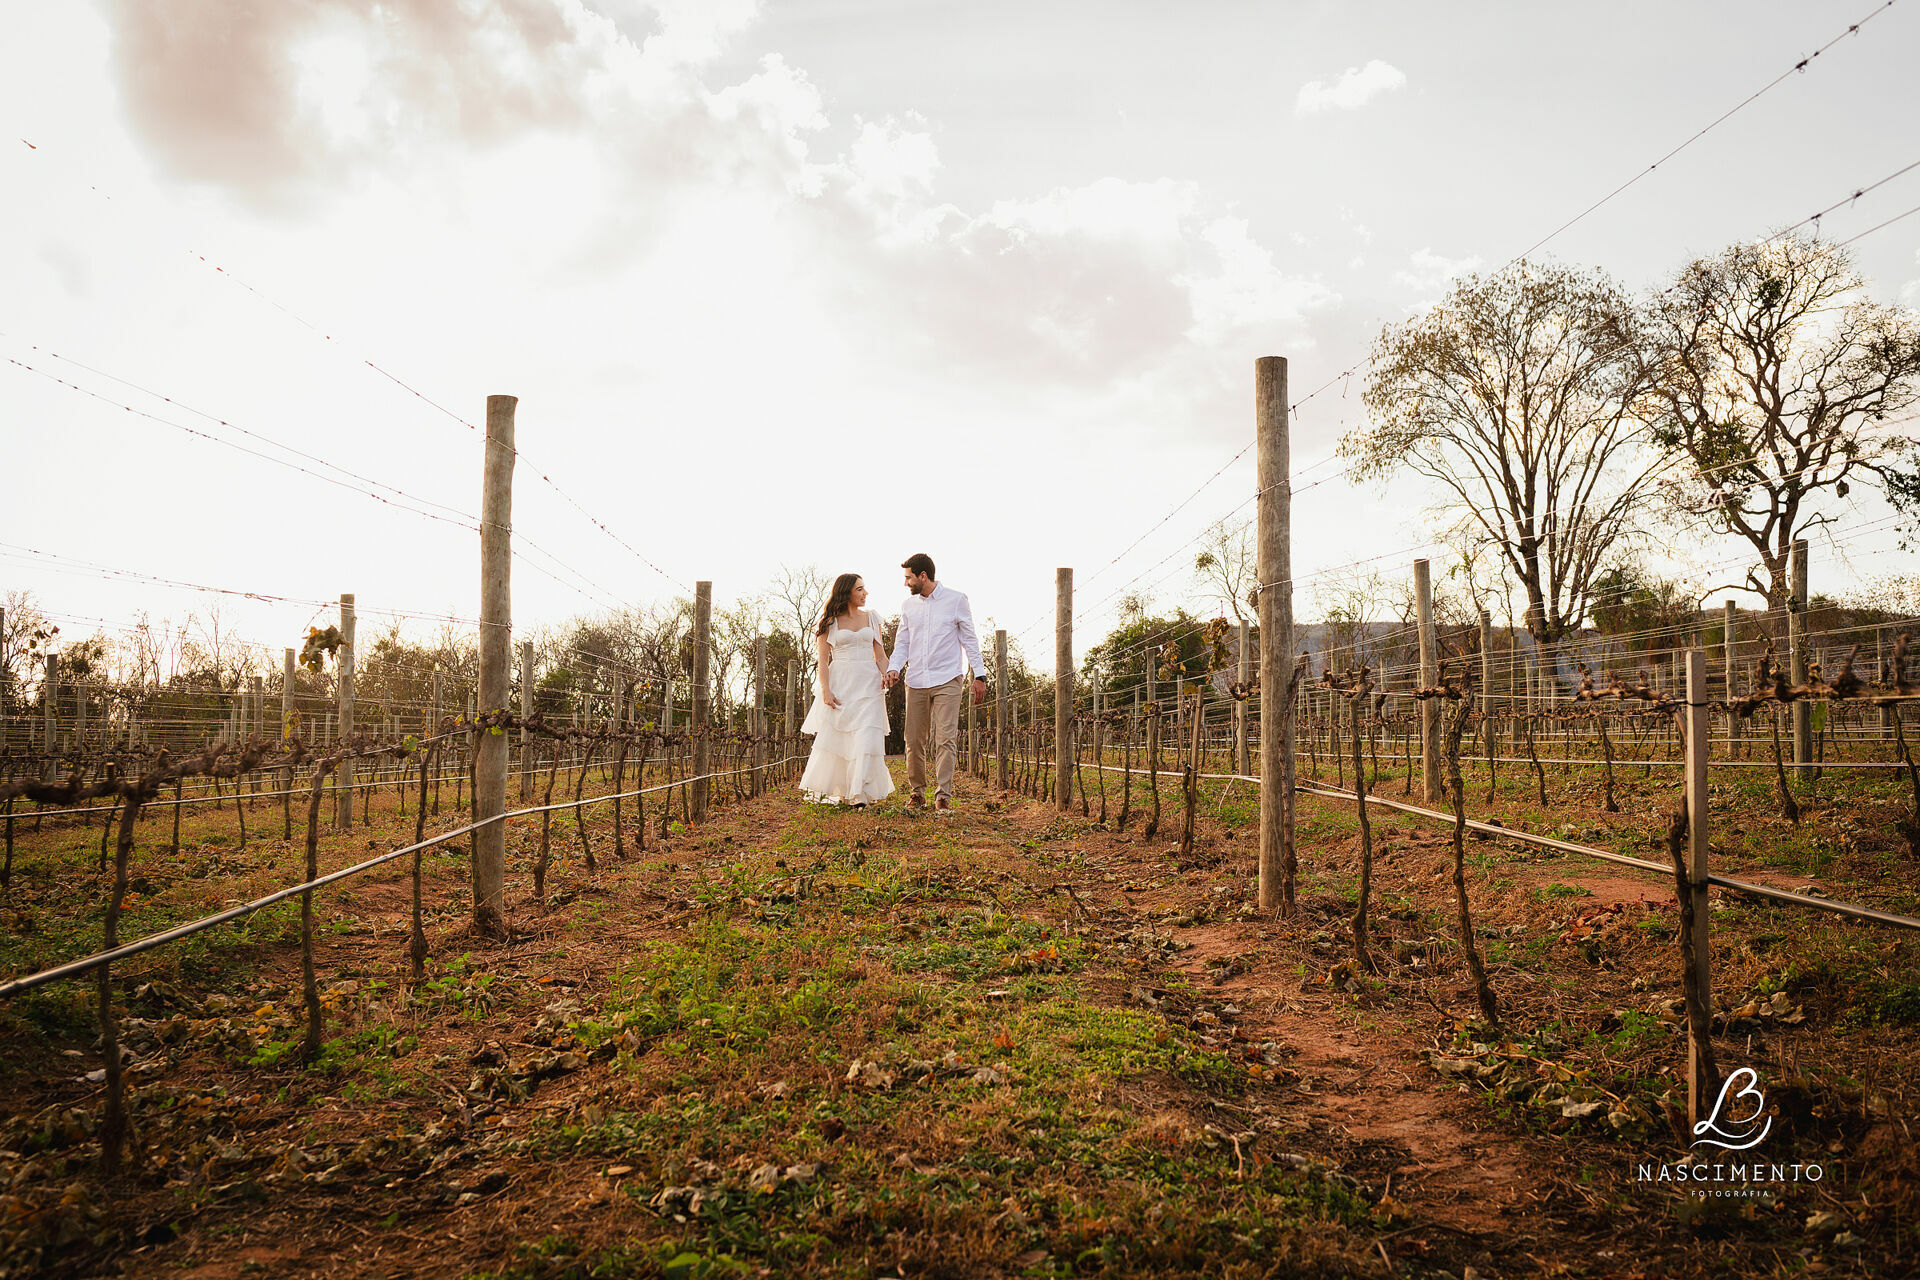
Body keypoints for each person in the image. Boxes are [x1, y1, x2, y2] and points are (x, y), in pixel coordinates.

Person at [882, 553, 988, 816]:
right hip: (916, 680)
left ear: (923, 576)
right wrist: (894, 667)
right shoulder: (908, 606)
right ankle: (917, 793)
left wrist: (980, 675)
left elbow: (970, 640)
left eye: (908, 578)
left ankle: (943, 796)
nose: (906, 583)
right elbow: (902, 644)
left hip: (947, 680)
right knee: (913, 740)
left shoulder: (956, 600)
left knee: (945, 739)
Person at [798, 574, 894, 807]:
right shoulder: (829, 623)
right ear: (846, 592)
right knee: (841, 738)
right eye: (860, 589)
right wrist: (825, 690)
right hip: (841, 683)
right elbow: (823, 661)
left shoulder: (872, 618)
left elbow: (879, 655)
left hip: (869, 684)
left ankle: (859, 794)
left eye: (865, 588)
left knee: (866, 736)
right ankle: (843, 789)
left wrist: (890, 673)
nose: (865, 593)